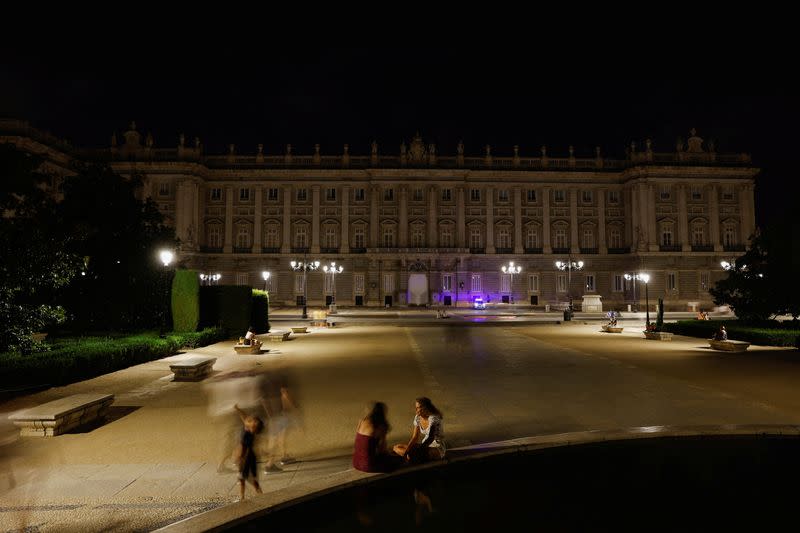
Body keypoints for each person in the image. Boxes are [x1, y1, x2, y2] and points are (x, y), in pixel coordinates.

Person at [392, 397, 445, 464]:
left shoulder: (433, 418)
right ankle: (410, 456)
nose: (416, 410)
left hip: (436, 447)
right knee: (396, 447)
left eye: (418, 407)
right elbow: (415, 437)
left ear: (425, 408)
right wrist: (407, 451)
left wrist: (418, 450)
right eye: (416, 407)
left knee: (412, 454)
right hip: (424, 445)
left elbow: (430, 438)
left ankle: (411, 456)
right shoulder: (418, 418)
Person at [353, 402, 401, 473]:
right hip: (368, 465)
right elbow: (382, 449)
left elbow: (359, 441)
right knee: (399, 461)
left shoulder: (362, 421)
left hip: (356, 462)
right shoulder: (380, 426)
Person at [233, 404, 263, 501]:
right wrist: (238, 409)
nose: (248, 420)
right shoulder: (248, 428)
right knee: (246, 479)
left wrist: (239, 458)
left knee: (248, 479)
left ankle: (259, 494)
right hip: (247, 457)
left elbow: (244, 448)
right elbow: (244, 417)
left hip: (247, 459)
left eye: (252, 421)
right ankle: (242, 496)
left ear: (253, 428)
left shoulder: (249, 435)